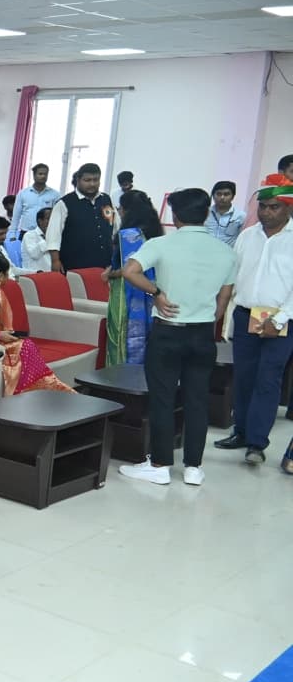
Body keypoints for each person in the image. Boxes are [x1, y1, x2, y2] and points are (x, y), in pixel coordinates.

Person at [116, 189, 236, 486]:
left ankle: (159, 465)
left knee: (163, 398)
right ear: (206, 213)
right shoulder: (226, 252)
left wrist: (156, 293)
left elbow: (129, 271)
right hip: (202, 334)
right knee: (197, 399)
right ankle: (193, 467)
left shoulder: (161, 244)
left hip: (168, 332)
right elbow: (223, 301)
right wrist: (203, 314)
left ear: (175, 215)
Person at [214, 177, 293, 466]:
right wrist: (221, 311)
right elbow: (232, 275)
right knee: (244, 377)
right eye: (262, 207)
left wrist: (281, 317)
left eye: (273, 207)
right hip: (246, 314)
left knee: (268, 380)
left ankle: (257, 443)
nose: (266, 213)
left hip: (280, 319)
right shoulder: (248, 236)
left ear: (288, 208)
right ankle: (242, 432)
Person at [0, 254, 72, 395]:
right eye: (6, 273)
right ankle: (26, 391)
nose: (8, 277)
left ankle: (34, 389)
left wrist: (3, 334)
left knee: (26, 344)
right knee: (25, 346)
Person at [106, 190, 164, 366]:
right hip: (150, 290)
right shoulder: (155, 232)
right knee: (147, 333)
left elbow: (126, 270)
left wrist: (109, 274)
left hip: (126, 291)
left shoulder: (129, 235)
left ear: (127, 210)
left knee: (121, 335)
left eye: (120, 208)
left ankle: (119, 376)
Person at [46, 162, 114, 272]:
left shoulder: (106, 199)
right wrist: (55, 261)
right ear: (78, 180)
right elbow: (53, 235)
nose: (92, 184)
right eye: (87, 180)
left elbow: (112, 227)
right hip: (75, 264)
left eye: (95, 180)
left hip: (104, 264)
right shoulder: (64, 203)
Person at [10, 164, 61, 240]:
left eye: (45, 174)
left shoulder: (54, 194)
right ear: (34, 175)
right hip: (26, 232)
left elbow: (58, 215)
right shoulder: (23, 193)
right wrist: (12, 233)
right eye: (40, 174)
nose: (43, 176)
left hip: (46, 233)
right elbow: (16, 215)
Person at [205, 180, 242, 247]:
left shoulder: (240, 216)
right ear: (213, 196)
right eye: (219, 194)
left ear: (233, 196)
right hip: (206, 252)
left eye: (226, 194)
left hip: (228, 254)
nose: (222, 197)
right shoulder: (205, 213)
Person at [22, 207, 52, 272]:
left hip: (53, 273)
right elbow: (34, 254)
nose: (53, 221)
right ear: (40, 221)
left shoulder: (56, 235)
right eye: (49, 218)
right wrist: (48, 237)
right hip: (36, 275)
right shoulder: (29, 235)